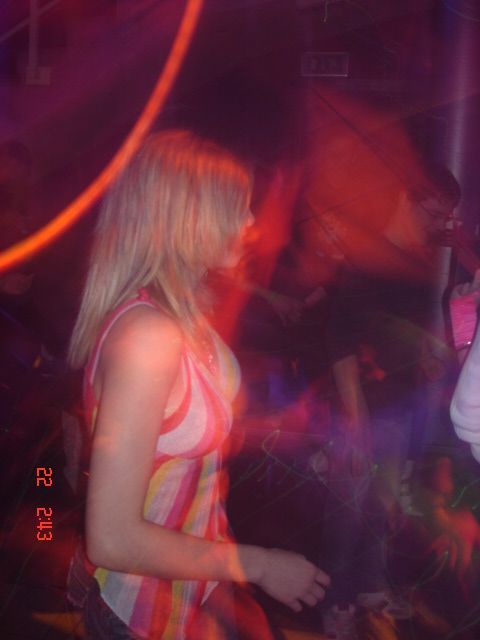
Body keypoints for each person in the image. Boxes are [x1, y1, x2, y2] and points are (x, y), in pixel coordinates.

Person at [66, 130, 329, 639]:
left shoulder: (184, 314)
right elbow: (112, 538)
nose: (250, 222)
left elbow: (177, 440)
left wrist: (279, 429)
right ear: (186, 216)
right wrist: (259, 565)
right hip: (141, 614)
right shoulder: (148, 335)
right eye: (236, 206)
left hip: (195, 591)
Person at [315, 162, 461, 639]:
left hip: (395, 409)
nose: (436, 224)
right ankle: (336, 602)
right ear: (406, 197)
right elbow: (339, 340)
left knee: (381, 506)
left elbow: (400, 334)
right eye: (433, 212)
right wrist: (354, 415)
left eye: (443, 216)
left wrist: (427, 358)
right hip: (358, 408)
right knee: (347, 511)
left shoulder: (415, 264)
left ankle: (369, 588)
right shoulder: (367, 257)